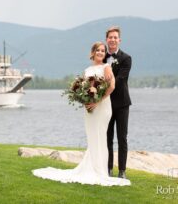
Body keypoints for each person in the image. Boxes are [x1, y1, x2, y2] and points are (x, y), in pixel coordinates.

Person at [32, 42, 131, 186]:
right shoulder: (87, 70)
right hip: (89, 108)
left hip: (102, 107)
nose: (101, 53)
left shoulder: (106, 67)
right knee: (92, 137)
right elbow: (83, 89)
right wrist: (85, 100)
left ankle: (101, 170)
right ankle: (92, 166)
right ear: (93, 52)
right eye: (98, 50)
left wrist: (98, 101)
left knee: (100, 136)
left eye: (103, 51)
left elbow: (112, 86)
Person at [104, 26, 132, 179]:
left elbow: (120, 80)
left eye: (115, 37)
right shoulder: (101, 58)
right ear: (106, 39)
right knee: (108, 138)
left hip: (122, 104)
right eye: (110, 37)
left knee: (122, 138)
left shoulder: (126, 58)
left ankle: (122, 171)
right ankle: (108, 169)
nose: (113, 40)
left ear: (119, 40)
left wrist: (104, 86)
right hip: (106, 104)